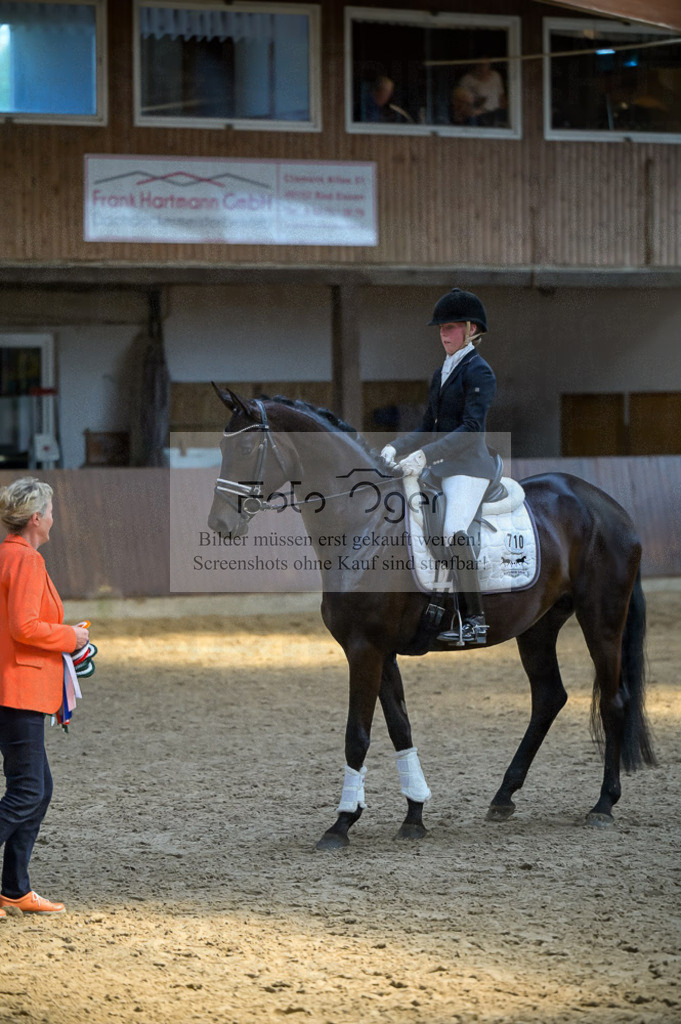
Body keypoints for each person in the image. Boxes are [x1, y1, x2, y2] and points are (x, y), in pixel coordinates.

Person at [380, 289, 496, 645]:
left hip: (469, 468)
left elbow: (471, 428)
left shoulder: (480, 372)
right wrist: (396, 447)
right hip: (440, 468)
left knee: (453, 531)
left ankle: (475, 619)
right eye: (441, 329)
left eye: (451, 328)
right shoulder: (441, 373)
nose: (444, 335)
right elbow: (427, 427)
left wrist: (425, 456)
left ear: (471, 329)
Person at [0, 477, 89, 916]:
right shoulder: (26, 561)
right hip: (19, 689)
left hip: (12, 688)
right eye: (50, 512)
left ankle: (14, 888)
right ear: (36, 518)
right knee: (28, 790)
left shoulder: (6, 555)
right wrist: (71, 637)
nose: (54, 518)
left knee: (38, 789)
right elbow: (24, 626)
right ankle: (13, 886)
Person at [457, 59, 506, 127]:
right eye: (480, 65)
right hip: (477, 118)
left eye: (486, 65)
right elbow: (460, 103)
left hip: (495, 116)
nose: (483, 67)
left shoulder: (496, 76)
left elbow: (501, 96)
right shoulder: (467, 80)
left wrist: (504, 113)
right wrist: (473, 111)